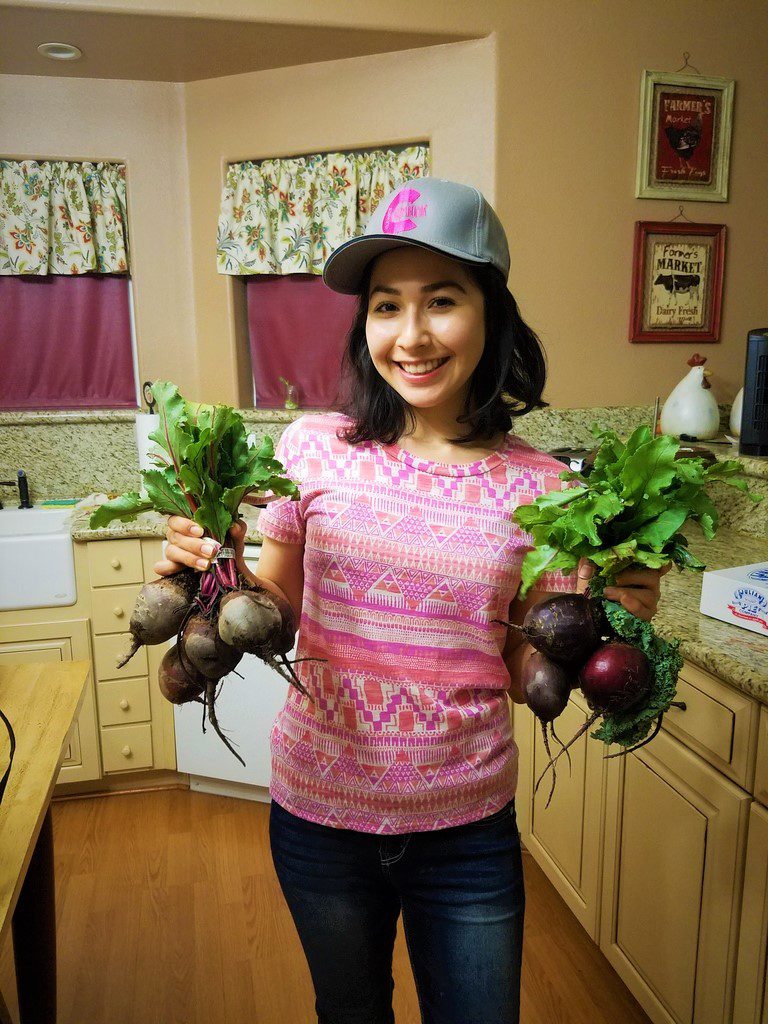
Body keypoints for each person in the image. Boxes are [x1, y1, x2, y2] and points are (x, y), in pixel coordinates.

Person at [155, 177, 666, 1024]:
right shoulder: (311, 449)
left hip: (466, 829)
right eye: (387, 306)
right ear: (365, 325)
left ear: (491, 312)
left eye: (442, 300)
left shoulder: (543, 489)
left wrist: (614, 617)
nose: (412, 334)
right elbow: (274, 609)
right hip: (320, 815)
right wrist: (213, 567)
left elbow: (517, 662)